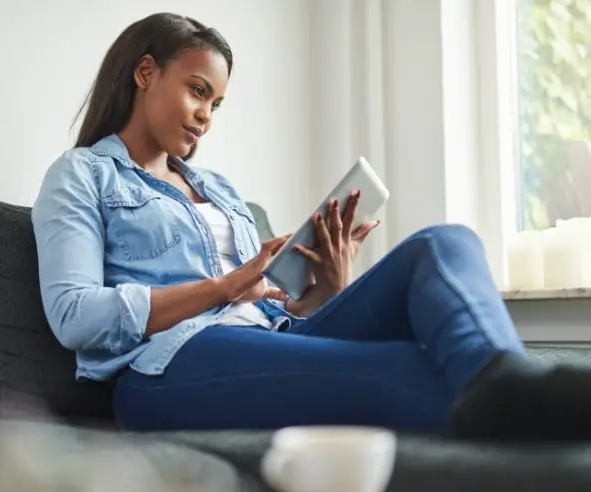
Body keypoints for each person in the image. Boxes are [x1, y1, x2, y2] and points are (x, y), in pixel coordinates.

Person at [32, 12, 591, 441]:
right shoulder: (82, 175)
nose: (206, 114)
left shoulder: (220, 190)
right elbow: (74, 316)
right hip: (167, 367)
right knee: (407, 368)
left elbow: (271, 307)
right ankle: (534, 407)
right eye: (198, 91)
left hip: (274, 337)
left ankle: (503, 379)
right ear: (145, 73)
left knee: (443, 244)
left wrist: (326, 287)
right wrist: (223, 287)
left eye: (217, 103)